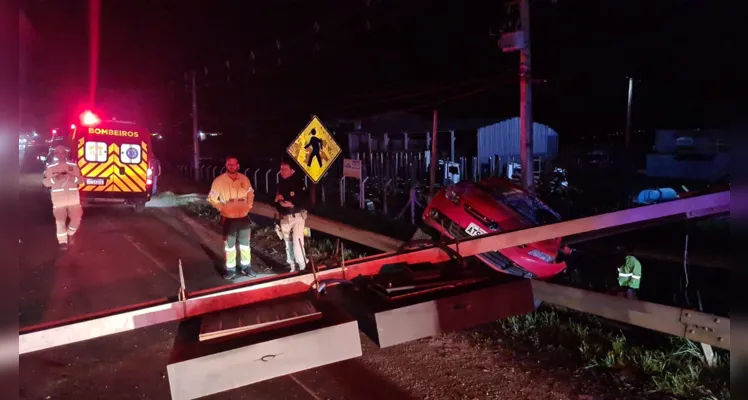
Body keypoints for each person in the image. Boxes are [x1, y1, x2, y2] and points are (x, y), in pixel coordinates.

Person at [208, 156, 255, 279]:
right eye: (229, 164)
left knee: (245, 244)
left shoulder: (244, 179)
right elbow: (212, 198)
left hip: (243, 217)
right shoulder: (219, 181)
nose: (232, 166)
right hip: (228, 218)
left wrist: (249, 205)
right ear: (226, 165)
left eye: (234, 164)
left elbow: (250, 193)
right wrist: (222, 208)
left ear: (238, 166)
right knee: (230, 246)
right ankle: (231, 269)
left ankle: (246, 267)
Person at [42, 145, 83, 250]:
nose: (60, 154)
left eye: (62, 152)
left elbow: (81, 180)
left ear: (66, 153)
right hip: (58, 200)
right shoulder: (50, 167)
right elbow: (45, 183)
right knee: (60, 222)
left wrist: (71, 177)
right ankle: (63, 242)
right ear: (55, 154)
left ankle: (70, 233)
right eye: (58, 153)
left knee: (76, 219)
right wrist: (56, 178)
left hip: (73, 199)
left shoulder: (73, 166)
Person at [275, 158, 309, 272]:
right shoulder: (280, 183)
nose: (282, 171)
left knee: (298, 242)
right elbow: (272, 199)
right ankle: (292, 266)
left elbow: (305, 199)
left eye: (285, 169)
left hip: (297, 216)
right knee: (287, 243)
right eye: (281, 169)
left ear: (292, 171)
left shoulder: (299, 183)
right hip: (284, 217)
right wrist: (277, 200)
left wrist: (292, 203)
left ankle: (303, 265)